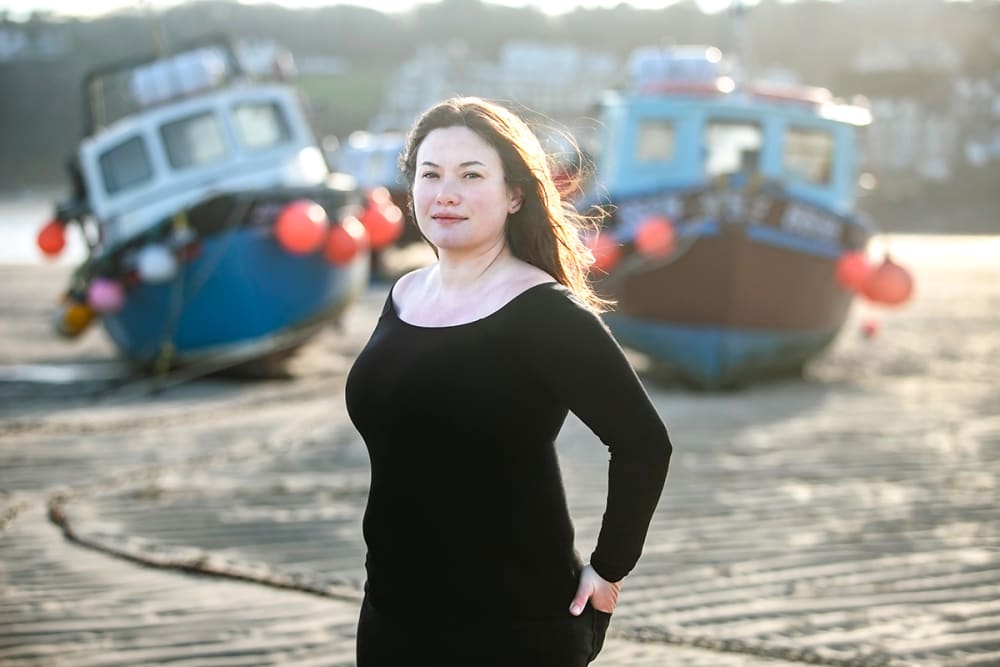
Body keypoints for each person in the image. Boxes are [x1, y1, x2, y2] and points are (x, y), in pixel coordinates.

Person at [345, 96, 672, 666]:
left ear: (515, 194)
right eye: (431, 174)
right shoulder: (402, 296)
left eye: (471, 175)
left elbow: (644, 444)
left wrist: (609, 568)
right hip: (392, 616)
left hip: (514, 626)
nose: (445, 193)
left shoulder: (546, 312)